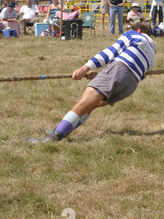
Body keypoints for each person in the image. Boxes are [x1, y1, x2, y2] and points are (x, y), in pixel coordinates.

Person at [26, 22, 156, 144]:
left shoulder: (133, 35)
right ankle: (61, 130)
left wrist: (84, 69)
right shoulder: (152, 54)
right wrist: (102, 75)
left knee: (82, 106)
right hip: (131, 85)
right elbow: (132, 71)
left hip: (119, 71)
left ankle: (54, 137)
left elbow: (110, 53)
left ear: (138, 30)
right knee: (90, 106)